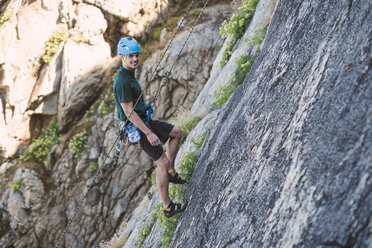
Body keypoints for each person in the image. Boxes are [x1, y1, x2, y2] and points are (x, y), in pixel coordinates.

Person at [113, 37, 188, 218]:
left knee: (177, 133)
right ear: (122, 56)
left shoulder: (129, 74)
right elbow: (129, 112)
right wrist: (148, 133)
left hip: (145, 121)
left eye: (136, 55)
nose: (135, 59)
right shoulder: (122, 81)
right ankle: (167, 206)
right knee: (161, 162)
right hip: (139, 127)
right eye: (130, 56)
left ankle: (171, 172)